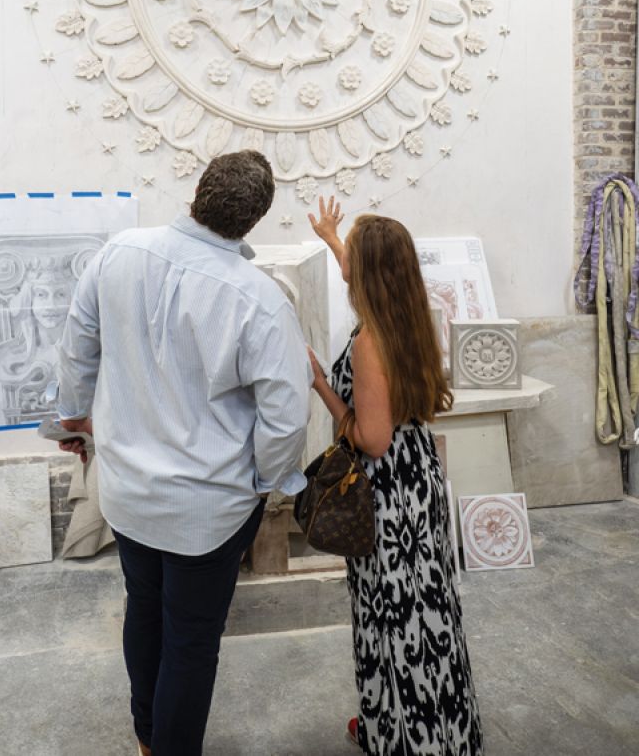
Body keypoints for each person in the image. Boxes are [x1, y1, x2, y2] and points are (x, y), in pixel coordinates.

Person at [55, 151, 311, 756]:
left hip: (128, 492)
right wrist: (268, 480)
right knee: (191, 641)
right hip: (209, 506)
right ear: (256, 220)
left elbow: (76, 345)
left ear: (198, 189)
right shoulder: (260, 297)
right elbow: (286, 413)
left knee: (143, 612)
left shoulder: (119, 252)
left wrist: (74, 419)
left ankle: (148, 740)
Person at [308, 197, 484, 756]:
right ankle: (445, 733)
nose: (345, 270)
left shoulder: (368, 343)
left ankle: (400, 737)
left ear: (366, 275)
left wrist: (321, 387)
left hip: (386, 495)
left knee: (391, 616)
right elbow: (364, 272)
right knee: (430, 610)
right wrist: (335, 240)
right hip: (420, 479)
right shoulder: (410, 316)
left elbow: (372, 438)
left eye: (350, 261)